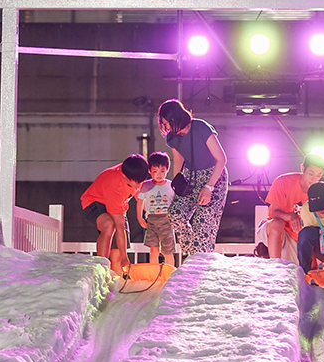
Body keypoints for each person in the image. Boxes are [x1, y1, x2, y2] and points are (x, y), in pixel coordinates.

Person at [157, 98, 228, 256]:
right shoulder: (172, 137)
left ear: (174, 119)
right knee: (175, 214)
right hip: (191, 177)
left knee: (202, 224)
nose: (165, 127)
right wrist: (177, 184)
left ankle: (201, 257)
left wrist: (209, 187)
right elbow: (178, 160)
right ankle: (194, 253)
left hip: (213, 176)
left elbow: (221, 159)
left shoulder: (201, 127)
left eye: (166, 123)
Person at [81, 153, 150, 274]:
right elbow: (119, 225)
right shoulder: (114, 184)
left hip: (119, 206)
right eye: (136, 183)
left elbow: (140, 199)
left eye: (141, 182)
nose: (139, 186)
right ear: (124, 176)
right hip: (94, 203)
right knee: (109, 224)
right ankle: (101, 267)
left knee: (117, 250)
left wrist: (151, 214)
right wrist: (125, 257)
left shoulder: (136, 174)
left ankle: (117, 280)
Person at [261, 153, 324, 260]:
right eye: (311, 174)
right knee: (277, 223)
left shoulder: (320, 192)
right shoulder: (283, 182)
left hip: (302, 239)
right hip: (279, 233)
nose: (314, 179)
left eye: (318, 175)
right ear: (302, 168)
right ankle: (274, 264)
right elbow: (274, 212)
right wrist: (290, 216)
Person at [136, 151, 176, 267]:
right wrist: (140, 217)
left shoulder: (171, 186)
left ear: (167, 169)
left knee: (167, 251)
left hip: (167, 220)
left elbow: (176, 203)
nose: (159, 174)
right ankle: (154, 276)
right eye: (155, 171)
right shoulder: (146, 185)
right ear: (149, 171)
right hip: (152, 220)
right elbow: (140, 201)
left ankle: (170, 275)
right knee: (153, 250)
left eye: (162, 171)